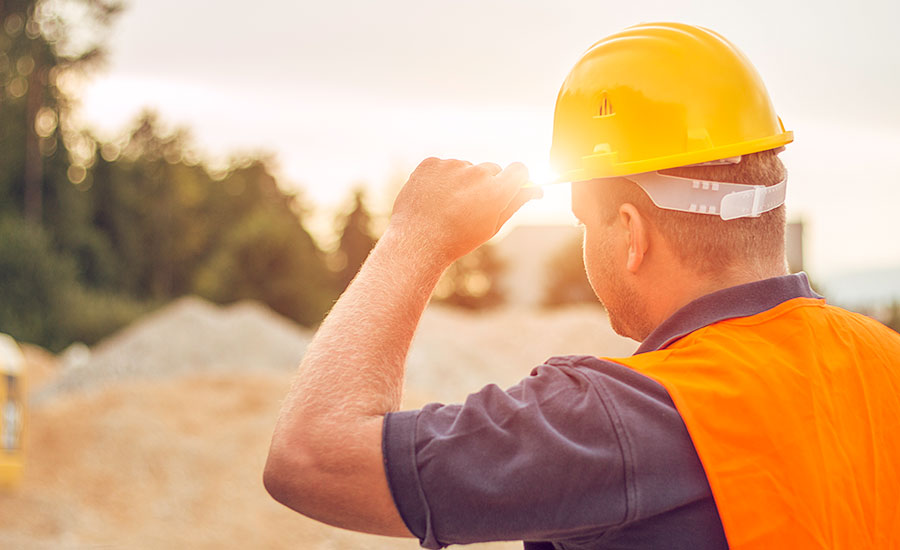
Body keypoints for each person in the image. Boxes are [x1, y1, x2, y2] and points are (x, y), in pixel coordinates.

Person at [264, 23, 900, 549]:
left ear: (630, 233)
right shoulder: (884, 364)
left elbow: (310, 456)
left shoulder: (617, 418)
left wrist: (416, 238)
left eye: (584, 223)